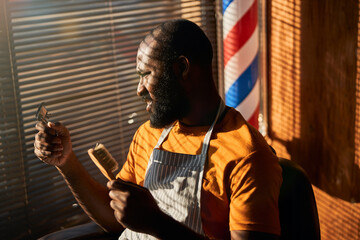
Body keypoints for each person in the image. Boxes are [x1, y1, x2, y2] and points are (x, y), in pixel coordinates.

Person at [34, 19, 282, 240]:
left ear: (182, 68)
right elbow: (115, 218)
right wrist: (65, 162)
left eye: (146, 74)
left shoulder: (247, 156)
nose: (139, 89)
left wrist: (157, 223)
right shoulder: (148, 134)